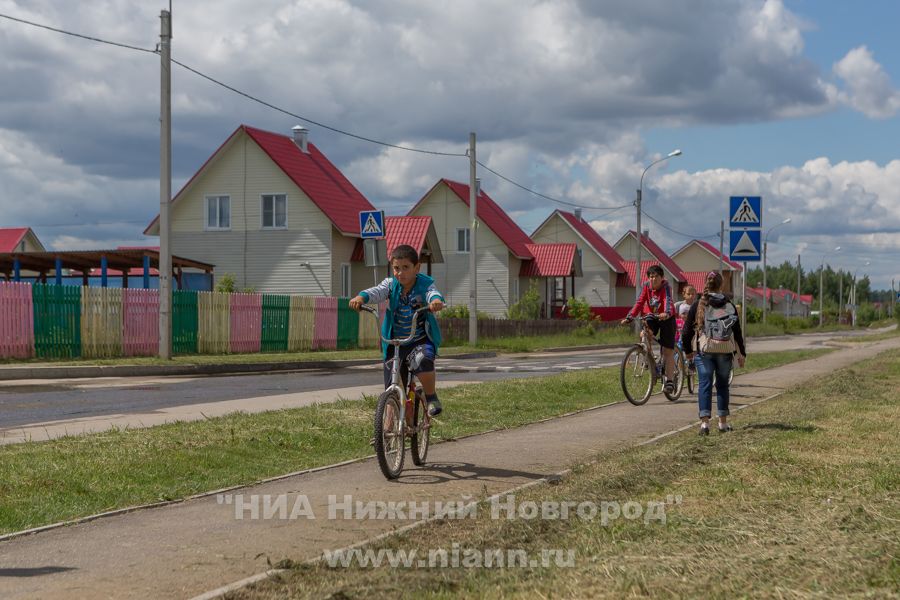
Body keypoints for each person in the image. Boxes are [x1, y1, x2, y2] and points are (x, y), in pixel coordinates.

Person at [349, 245, 446, 416]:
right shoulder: (391, 285)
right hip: (395, 343)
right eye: (396, 268)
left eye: (406, 267)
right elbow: (377, 291)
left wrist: (436, 301)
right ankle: (387, 432)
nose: (400, 273)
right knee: (392, 389)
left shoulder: (425, 284)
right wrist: (361, 297)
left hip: (418, 341)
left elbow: (433, 294)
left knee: (424, 359)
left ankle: (431, 396)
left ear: (417, 268)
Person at [682, 272, 746, 435]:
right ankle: (723, 424)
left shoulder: (699, 303)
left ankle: (704, 425)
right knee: (723, 385)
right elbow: (737, 331)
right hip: (725, 350)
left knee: (705, 384)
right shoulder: (729, 304)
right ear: (721, 285)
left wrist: (688, 351)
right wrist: (741, 353)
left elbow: (687, 330)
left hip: (705, 350)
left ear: (706, 284)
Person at [620, 265, 677, 394]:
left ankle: (669, 381)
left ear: (661, 278)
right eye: (651, 277)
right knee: (644, 334)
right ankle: (648, 358)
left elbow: (667, 300)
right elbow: (639, 302)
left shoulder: (666, 287)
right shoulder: (646, 286)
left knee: (668, 351)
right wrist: (629, 317)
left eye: (656, 276)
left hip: (666, 318)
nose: (653, 279)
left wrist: (666, 313)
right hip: (652, 316)